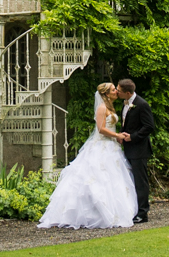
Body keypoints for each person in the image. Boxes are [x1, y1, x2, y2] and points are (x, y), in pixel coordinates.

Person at [37, 82, 138, 229]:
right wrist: (117, 134)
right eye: (112, 90)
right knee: (96, 179)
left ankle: (114, 211)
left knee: (113, 179)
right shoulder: (102, 108)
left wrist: (116, 137)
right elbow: (101, 129)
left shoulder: (110, 106)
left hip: (111, 146)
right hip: (101, 145)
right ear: (105, 94)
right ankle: (93, 213)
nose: (116, 91)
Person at [118, 78, 155, 223]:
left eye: (119, 90)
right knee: (131, 180)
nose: (116, 92)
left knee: (141, 181)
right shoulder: (126, 103)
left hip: (139, 149)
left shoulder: (141, 104)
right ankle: (133, 209)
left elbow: (149, 126)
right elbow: (126, 123)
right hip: (128, 148)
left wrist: (132, 137)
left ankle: (143, 213)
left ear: (127, 93)